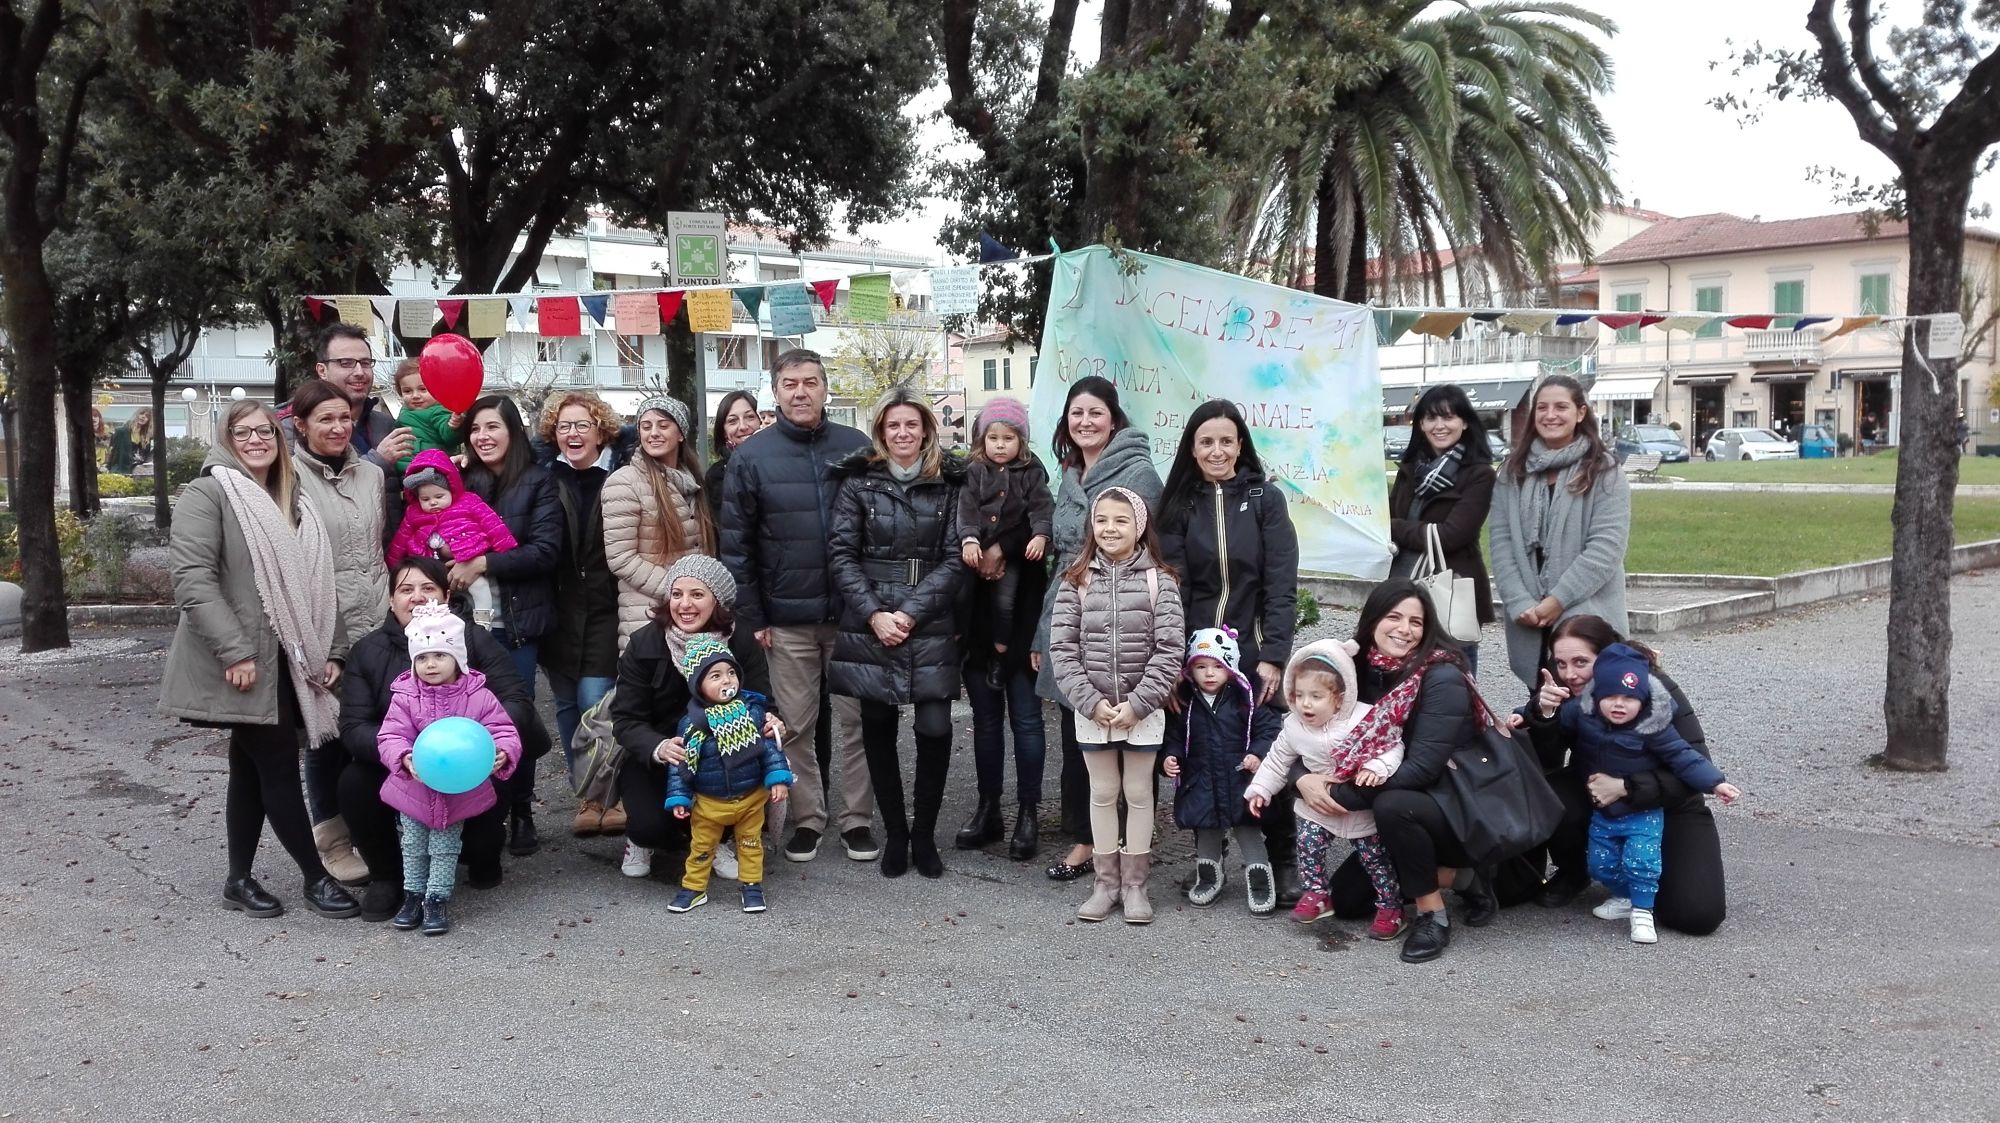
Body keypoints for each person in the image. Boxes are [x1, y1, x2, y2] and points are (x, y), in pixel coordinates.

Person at [159, 400, 359, 920]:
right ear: (225, 439)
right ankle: (316, 879)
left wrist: (333, 647)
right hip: (243, 663)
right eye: (241, 431)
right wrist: (236, 650)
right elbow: (192, 582)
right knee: (275, 766)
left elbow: (318, 582)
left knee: (248, 771)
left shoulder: (293, 500)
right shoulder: (208, 494)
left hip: (292, 658)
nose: (255, 440)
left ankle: (238, 880)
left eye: (264, 430)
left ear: (279, 436)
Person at [718, 349, 879, 865]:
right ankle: (808, 819)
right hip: (786, 620)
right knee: (796, 725)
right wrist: (754, 616)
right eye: (790, 384)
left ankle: (857, 820)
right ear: (776, 391)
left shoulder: (857, 448)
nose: (801, 392)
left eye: (811, 382)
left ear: (826, 388)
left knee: (856, 723)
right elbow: (737, 546)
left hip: (855, 616)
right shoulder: (752, 457)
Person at [337, 556, 549, 921]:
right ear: (390, 600)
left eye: (427, 588)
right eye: (406, 590)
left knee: (494, 789)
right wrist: (405, 754)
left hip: (468, 764)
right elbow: (354, 726)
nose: (416, 597)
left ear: (446, 595)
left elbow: (514, 699)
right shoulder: (368, 651)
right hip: (404, 766)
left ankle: (481, 854)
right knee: (354, 782)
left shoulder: (473, 640)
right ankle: (389, 876)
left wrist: (484, 744)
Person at [1292, 580, 1491, 964]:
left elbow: (1421, 769)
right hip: (1381, 802)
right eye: (1394, 617)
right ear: (1372, 620)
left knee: (1395, 804)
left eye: (1416, 622)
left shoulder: (1441, 676)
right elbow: (1303, 732)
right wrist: (1301, 779)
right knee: (1349, 902)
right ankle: (1464, 878)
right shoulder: (1352, 670)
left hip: (1446, 806)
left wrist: (1334, 796)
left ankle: (1433, 914)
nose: (1405, 629)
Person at [1156, 399, 1301, 901]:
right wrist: (1175, 664)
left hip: (1252, 648)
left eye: (1226, 440)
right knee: (1201, 754)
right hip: (1195, 653)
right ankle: (1209, 860)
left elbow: (1281, 584)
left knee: (1265, 752)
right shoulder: (1177, 505)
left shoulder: (1266, 499)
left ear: (1241, 444)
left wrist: (1274, 656)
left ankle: (1281, 859)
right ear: (1191, 449)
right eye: (1206, 442)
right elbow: (1170, 589)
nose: (1217, 450)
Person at [827, 389, 969, 879]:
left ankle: (925, 834)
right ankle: (895, 834)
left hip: (928, 616)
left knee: (935, 726)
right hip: (871, 616)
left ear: (926, 430)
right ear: (881, 433)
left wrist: (909, 613)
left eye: (912, 425)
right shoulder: (858, 485)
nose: (903, 434)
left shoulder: (949, 485)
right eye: (893, 426)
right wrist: (874, 614)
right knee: (877, 726)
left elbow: (955, 560)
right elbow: (841, 555)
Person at [1521, 614, 1730, 936]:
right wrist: (1540, 715)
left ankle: (1643, 874)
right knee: (1551, 792)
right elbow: (1546, 760)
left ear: (1609, 657)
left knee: (1696, 915)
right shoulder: (1563, 687)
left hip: (1670, 805)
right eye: (1561, 663)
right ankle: (1577, 871)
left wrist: (1626, 787)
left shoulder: (1655, 689)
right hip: (1598, 798)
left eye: (1580, 661)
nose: (1571, 674)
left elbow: (1693, 767)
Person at [1033, 376, 1163, 883]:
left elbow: (1151, 551)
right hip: (1069, 610)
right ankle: (1087, 838)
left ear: (1114, 417)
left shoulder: (1139, 473)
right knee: (1077, 732)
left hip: (1125, 620)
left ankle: (1133, 843)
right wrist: (1042, 637)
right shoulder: (1067, 473)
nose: (1084, 422)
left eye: (1095, 413)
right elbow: (1061, 562)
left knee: (1131, 732)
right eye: (1076, 414)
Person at [1048, 487, 1183, 925]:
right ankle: (1105, 883)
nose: (1109, 528)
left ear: (1139, 526)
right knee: (1102, 793)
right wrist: (1089, 701)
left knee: (1139, 794)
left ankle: (1135, 884)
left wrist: (1140, 703)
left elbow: (1169, 649)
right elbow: (1063, 650)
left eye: (1121, 520)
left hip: (1142, 712)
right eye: (1102, 519)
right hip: (1093, 711)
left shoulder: (1159, 581)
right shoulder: (1076, 578)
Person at [610, 553, 786, 881]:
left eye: (697, 594)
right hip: (662, 755)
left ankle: (717, 837)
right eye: (677, 594)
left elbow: (763, 701)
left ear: (717, 602)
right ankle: (640, 840)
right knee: (652, 825)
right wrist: (658, 747)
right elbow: (625, 719)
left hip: (723, 751)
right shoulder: (644, 642)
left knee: (749, 777)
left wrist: (770, 721)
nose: (684, 604)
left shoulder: (740, 641)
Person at [453, 395, 564, 855]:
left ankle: (520, 810)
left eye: (493, 427)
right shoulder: (461, 481)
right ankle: (473, 811)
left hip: (516, 624)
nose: (484, 436)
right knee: (462, 720)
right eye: (476, 428)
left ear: (513, 432)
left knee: (512, 719)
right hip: (465, 627)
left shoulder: (539, 482)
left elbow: (545, 551)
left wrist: (483, 562)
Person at [288, 378, 387, 885]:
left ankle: (377, 830)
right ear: (300, 425)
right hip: (324, 627)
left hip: (376, 622)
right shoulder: (286, 480)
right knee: (326, 739)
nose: (337, 427)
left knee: (374, 734)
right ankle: (331, 839)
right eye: (324, 418)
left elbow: (377, 549)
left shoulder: (372, 475)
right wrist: (322, 644)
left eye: (344, 417)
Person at [373, 602, 522, 936]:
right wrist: (404, 757)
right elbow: (391, 734)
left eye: (439, 656)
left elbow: (503, 729)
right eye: (422, 658)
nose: (430, 665)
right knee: (412, 844)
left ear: (457, 658)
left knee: (445, 845)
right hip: (415, 788)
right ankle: (412, 893)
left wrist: (501, 752)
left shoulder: (478, 696)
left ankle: (436, 898)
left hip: (458, 790)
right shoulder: (405, 696)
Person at [1245, 639, 1404, 937]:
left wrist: (1376, 767)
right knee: (1307, 843)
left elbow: (1392, 745)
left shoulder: (1364, 719)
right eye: (1299, 695)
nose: (1306, 703)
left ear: (1339, 698)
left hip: (1358, 806)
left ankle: (1390, 906)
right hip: (1317, 806)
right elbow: (1278, 760)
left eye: (1316, 696)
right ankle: (1316, 893)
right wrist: (1260, 789)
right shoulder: (1294, 726)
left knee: (1375, 858)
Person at [1489, 374, 1630, 688]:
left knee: (1593, 713)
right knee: (1543, 713)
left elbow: (1605, 549)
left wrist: (1558, 600)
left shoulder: (1604, 471)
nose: (1550, 415)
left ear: (1580, 413)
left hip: (1584, 614)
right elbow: (1500, 542)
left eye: (1560, 407)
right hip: (1529, 615)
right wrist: (1518, 601)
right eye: (1542, 408)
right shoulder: (1513, 472)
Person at [538, 389, 633, 836]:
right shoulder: (544, 476)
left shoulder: (622, 472)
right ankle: (586, 796)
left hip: (604, 605)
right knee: (564, 706)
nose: (572, 434)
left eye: (582, 425)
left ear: (601, 430)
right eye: (563, 426)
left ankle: (606, 795)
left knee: (596, 703)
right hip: (557, 610)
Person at [662, 634, 794, 914]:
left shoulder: (752, 712)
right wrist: (678, 799)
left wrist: (778, 778)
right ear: (698, 685)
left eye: (731, 673)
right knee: (701, 848)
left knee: (750, 844)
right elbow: (681, 764)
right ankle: (694, 888)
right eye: (716, 676)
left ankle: (751, 886)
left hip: (749, 798)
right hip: (709, 802)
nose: (727, 681)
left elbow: (768, 750)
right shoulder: (690, 724)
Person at [1160, 628, 1283, 913]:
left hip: (1239, 777)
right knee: (1207, 831)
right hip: (1201, 779)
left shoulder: (1245, 700)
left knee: (1248, 829)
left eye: (1218, 666)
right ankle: (1209, 878)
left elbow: (1269, 729)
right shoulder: (1187, 703)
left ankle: (1261, 882)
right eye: (1201, 667)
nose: (1210, 673)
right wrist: (1171, 756)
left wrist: (1257, 753)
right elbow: (1176, 737)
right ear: (1190, 671)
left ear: (1231, 668)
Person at [1388, 384, 1496, 673]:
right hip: (1404, 587)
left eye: (1448, 417)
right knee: (1400, 674)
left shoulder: (1480, 474)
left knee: (1454, 677)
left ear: (1464, 422)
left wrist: (1396, 528)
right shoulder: (1409, 469)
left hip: (1452, 590)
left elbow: (1451, 536)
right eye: (1431, 418)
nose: (1439, 426)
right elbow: (1382, 520)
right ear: (1420, 424)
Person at [602, 395, 714, 652]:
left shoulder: (693, 480)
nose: (653, 433)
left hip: (693, 617)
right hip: (647, 616)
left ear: (681, 433)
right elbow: (621, 558)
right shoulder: (624, 482)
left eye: (663, 425)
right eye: (646, 426)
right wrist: (681, 592)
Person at [954, 397, 1053, 684]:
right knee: (959, 594)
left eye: (1008, 438)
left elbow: (1041, 507)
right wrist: (969, 539)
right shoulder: (974, 470)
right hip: (974, 547)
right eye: (993, 438)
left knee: (1005, 603)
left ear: (1021, 441)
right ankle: (957, 645)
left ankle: (1000, 654)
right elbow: (967, 508)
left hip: (1010, 554)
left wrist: (1040, 535)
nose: (1000, 445)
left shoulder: (1031, 471)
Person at [280, 323, 416, 472]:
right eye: (346, 363)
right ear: (322, 370)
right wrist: (378, 459)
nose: (359, 372)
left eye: (365, 363)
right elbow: (299, 484)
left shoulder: (386, 423)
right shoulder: (290, 427)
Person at [384, 449, 518, 569]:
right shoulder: (414, 512)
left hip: (469, 558)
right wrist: (393, 565)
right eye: (425, 499)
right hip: (430, 565)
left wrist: (506, 552)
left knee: (480, 588)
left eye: (439, 496)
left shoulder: (468, 501)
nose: (433, 502)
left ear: (451, 489)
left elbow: (491, 523)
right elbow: (401, 540)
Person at [387, 358, 463, 470]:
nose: (415, 396)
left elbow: (449, 435)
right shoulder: (405, 410)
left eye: (423, 389)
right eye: (407, 391)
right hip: (403, 467)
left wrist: (453, 426)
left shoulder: (438, 411)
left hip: (429, 468)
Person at [705, 389, 761, 519]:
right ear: (723, 430)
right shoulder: (716, 476)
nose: (742, 426)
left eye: (750, 417)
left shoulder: (781, 461)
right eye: (732, 421)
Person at [106, 409, 154, 475]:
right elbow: (113, 451)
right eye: (142, 414)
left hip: (139, 470)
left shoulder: (147, 436)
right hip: (122, 468)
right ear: (137, 415)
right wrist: (109, 467)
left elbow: (146, 455)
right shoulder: (121, 431)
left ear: (149, 420)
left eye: (147, 416)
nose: (143, 417)